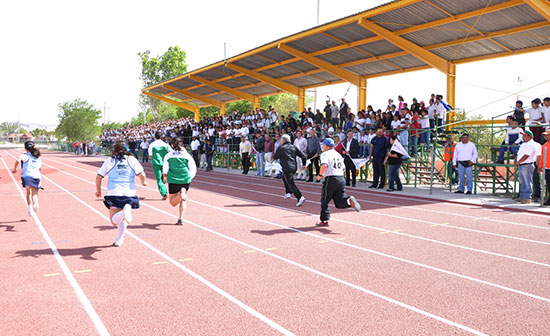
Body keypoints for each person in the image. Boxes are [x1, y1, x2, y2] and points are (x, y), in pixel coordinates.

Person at [95, 141, 147, 247]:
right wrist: (143, 182)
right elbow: (142, 174)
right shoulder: (131, 159)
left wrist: (98, 191)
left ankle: (124, 213)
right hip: (129, 193)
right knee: (122, 219)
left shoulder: (109, 161)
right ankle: (120, 239)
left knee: (114, 221)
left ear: (114, 150)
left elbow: (98, 177)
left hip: (114, 193)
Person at [315, 138, 361, 227]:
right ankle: (348, 201)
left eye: (323, 145)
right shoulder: (338, 155)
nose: (322, 147)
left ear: (327, 146)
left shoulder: (325, 154)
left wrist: (320, 175)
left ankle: (324, 220)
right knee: (339, 201)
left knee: (325, 200)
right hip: (341, 178)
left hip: (331, 178)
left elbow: (324, 165)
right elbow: (343, 169)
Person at [162, 137, 197, 225]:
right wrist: (189, 178)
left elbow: (165, 168)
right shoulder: (187, 155)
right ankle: (180, 219)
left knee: (173, 202)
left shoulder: (169, 155)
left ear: (172, 145)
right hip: (185, 179)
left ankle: (181, 193)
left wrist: (164, 177)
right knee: (183, 200)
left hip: (174, 180)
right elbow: (193, 168)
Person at [273, 134, 307, 207]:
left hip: (286, 167)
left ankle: (300, 197)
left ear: (282, 141)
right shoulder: (293, 147)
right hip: (294, 167)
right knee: (284, 177)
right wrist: (304, 164)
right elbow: (303, 156)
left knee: (291, 183)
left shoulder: (281, 148)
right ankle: (288, 192)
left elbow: (275, 156)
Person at [12, 141, 42, 216]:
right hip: (36, 176)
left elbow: (17, 160)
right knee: (34, 194)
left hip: (27, 176)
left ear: (25, 148)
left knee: (28, 193)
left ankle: (30, 210)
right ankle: (35, 199)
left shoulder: (24, 155)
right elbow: (40, 168)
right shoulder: (37, 157)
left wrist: (14, 169)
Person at [514, 130, 538, 204]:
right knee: (523, 182)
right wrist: (516, 160)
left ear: (530, 137)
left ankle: (527, 198)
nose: (523, 137)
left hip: (527, 164)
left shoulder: (530, 144)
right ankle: (523, 197)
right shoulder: (524, 144)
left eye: (525, 135)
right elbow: (519, 154)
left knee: (527, 182)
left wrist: (518, 162)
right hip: (522, 164)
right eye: (523, 135)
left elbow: (527, 155)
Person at [148, 132, 171, 200]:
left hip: (156, 163)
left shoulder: (152, 145)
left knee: (159, 179)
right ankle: (165, 176)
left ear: (155, 137)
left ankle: (164, 193)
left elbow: (150, 156)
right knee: (163, 176)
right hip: (165, 163)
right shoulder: (166, 145)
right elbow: (170, 153)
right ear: (161, 137)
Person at [538, 130, 550, 205]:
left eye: (547, 135)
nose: (545, 137)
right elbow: (542, 157)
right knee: (548, 184)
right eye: (545, 135)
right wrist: (540, 166)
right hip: (547, 167)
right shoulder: (544, 145)